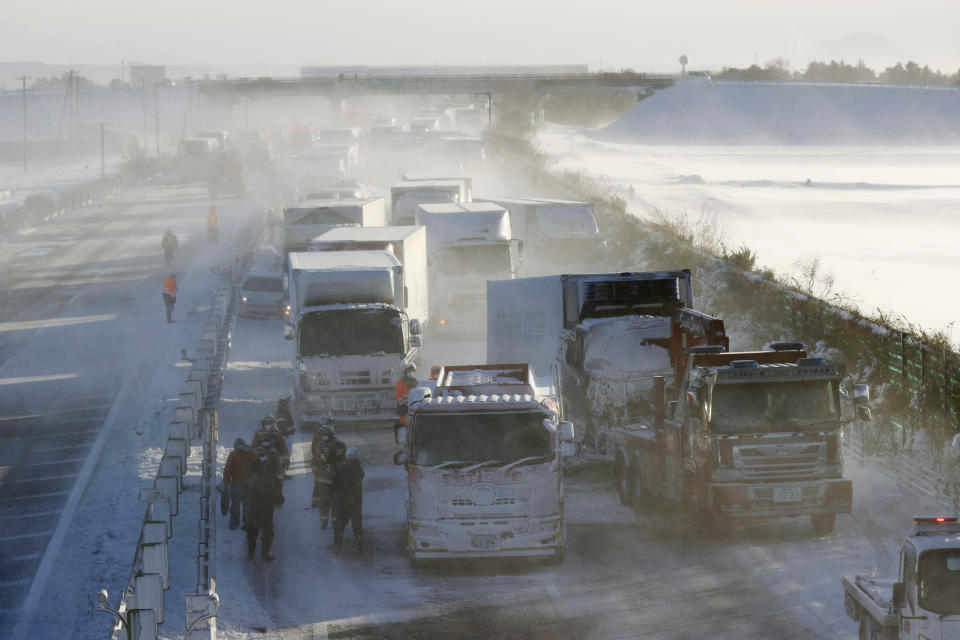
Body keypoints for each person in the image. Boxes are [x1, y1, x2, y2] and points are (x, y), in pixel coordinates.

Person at [246, 441, 284, 561]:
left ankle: (251, 553)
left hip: (255, 503)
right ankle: (264, 554)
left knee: (253, 529)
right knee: (266, 531)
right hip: (266, 505)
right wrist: (279, 500)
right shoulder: (272, 466)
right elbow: (277, 486)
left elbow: (248, 481)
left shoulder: (253, 464)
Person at [310, 419, 346, 527]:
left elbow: (344, 460)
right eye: (323, 435)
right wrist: (318, 473)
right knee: (326, 501)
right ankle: (325, 521)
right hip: (326, 479)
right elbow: (315, 461)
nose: (323, 437)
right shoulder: (321, 446)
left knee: (334, 501)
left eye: (325, 435)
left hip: (334, 479)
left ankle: (333, 521)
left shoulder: (339, 445)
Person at [332, 446, 365, 553]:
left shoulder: (341, 470)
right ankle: (359, 543)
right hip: (355, 501)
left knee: (340, 523)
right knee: (357, 524)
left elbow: (334, 484)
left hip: (342, 501)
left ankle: (337, 544)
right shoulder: (359, 470)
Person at [223, 438, 257, 530]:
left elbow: (227, 470)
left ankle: (234, 524)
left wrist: (225, 483)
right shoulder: (253, 454)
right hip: (249, 484)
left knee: (235, 505)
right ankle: (248, 524)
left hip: (236, 484)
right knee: (248, 506)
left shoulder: (233, 454)